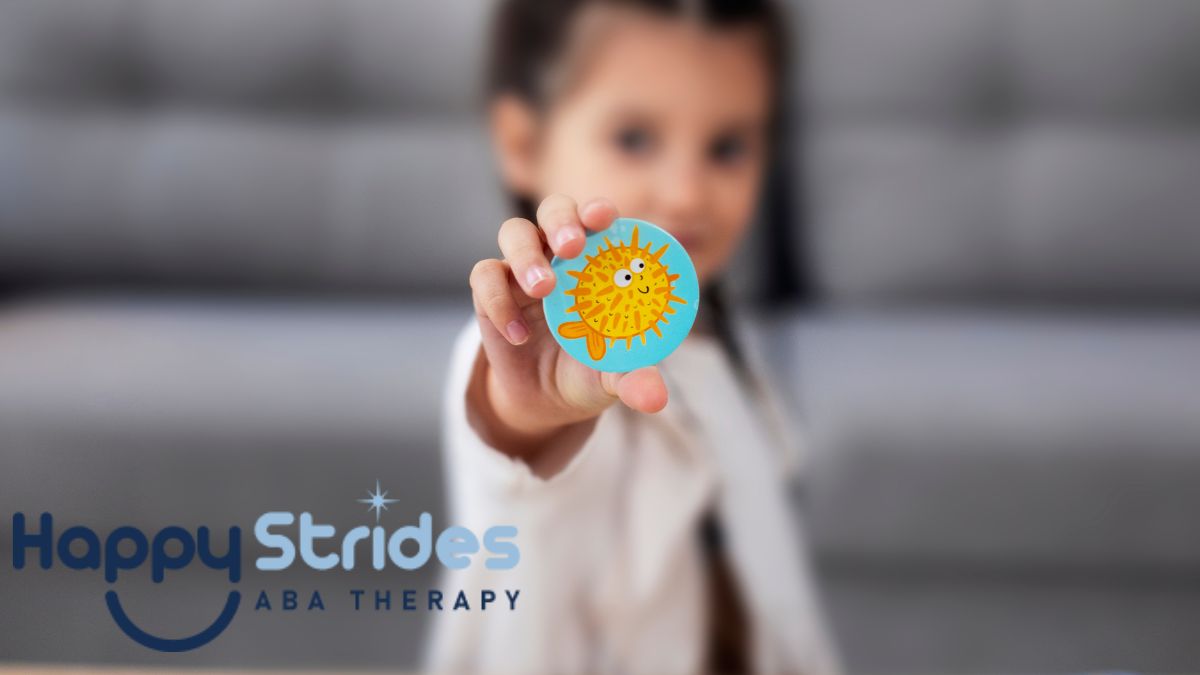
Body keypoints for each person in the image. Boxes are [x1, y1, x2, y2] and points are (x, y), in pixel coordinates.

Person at [430, 0, 839, 672]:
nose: (686, 193)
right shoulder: (525, 358)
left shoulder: (720, 330)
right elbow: (515, 451)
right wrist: (534, 412)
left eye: (728, 147)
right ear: (523, 145)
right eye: (635, 139)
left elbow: (772, 585)